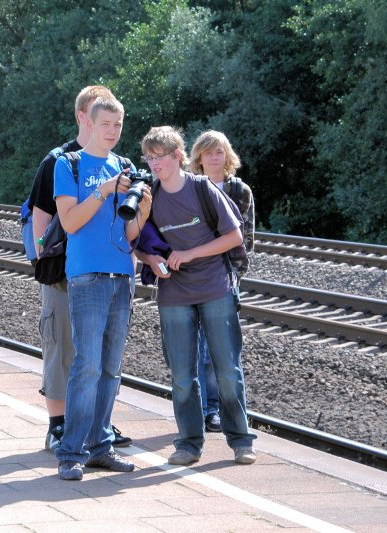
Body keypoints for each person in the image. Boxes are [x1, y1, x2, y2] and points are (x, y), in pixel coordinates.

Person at [138, 126, 256, 466]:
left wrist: (189, 254)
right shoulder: (150, 196)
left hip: (215, 287)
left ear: (178, 156)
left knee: (227, 370)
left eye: (160, 157)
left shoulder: (202, 188)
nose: (154, 164)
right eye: (149, 158)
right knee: (181, 374)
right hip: (174, 293)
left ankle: (240, 440)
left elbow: (234, 236)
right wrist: (152, 259)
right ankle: (189, 443)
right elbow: (136, 245)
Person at [25, 85, 133, 452]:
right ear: (82, 117)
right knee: (62, 345)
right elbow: (41, 219)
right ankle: (58, 425)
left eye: (114, 121)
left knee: (98, 353)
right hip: (64, 270)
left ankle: (94, 427)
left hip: (107, 271)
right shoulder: (59, 161)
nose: (107, 126)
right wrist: (45, 264)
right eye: (96, 116)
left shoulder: (121, 164)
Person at [53, 96, 151, 481]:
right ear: (89, 124)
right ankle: (71, 452)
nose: (113, 131)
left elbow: (128, 234)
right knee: (87, 365)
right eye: (106, 124)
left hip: (120, 275)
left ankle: (100, 447)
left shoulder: (124, 166)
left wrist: (142, 211)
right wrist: (104, 190)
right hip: (87, 276)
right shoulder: (70, 164)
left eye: (119, 124)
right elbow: (71, 222)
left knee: (110, 368)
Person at [188, 131, 255, 433]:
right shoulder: (189, 188)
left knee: (222, 348)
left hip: (225, 276)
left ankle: (215, 410)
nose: (215, 157)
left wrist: (234, 273)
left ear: (228, 156)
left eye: (220, 152)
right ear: (199, 157)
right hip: (191, 276)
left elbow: (247, 238)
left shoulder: (240, 191)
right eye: (209, 152)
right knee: (196, 346)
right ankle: (203, 409)